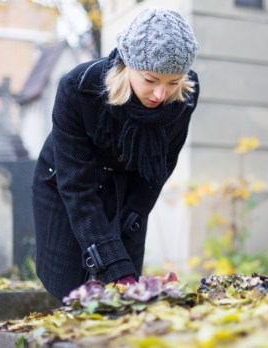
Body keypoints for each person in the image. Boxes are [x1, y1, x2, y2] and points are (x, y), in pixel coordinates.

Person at [31, 8, 200, 300]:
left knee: (126, 289)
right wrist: (111, 263)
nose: (161, 94)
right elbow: (77, 188)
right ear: (128, 65)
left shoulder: (183, 96)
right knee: (70, 286)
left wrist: (131, 222)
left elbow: (159, 167)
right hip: (67, 182)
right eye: (150, 80)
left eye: (172, 82)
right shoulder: (78, 88)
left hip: (129, 184)